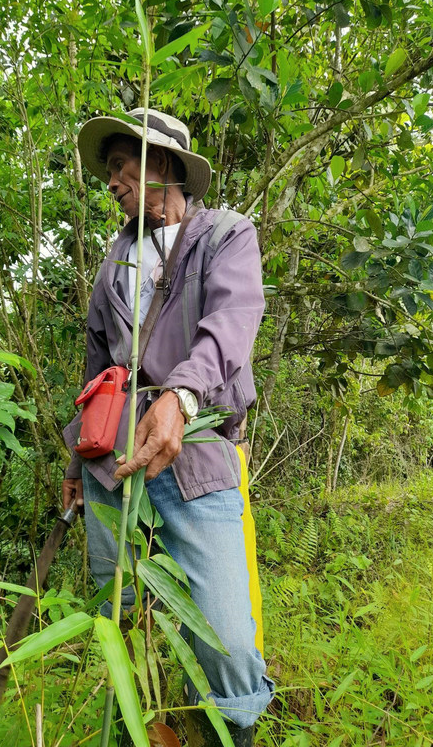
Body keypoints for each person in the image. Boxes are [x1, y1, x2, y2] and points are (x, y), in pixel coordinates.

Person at [62, 108, 274, 746]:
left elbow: (232, 324)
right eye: (108, 170)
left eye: (123, 165)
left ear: (167, 166)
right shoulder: (113, 262)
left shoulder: (226, 237)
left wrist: (180, 395)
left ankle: (230, 728)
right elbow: (97, 371)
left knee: (226, 636)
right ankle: (134, 727)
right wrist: (76, 465)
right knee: (122, 617)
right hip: (111, 471)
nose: (113, 180)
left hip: (197, 459)